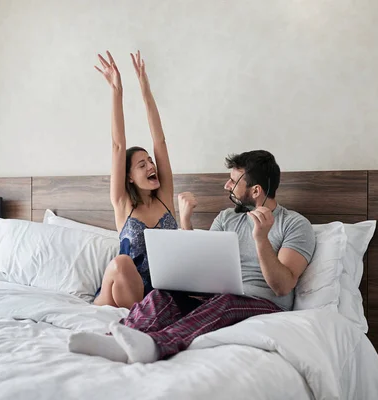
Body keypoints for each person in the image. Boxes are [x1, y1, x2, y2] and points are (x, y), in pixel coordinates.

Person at [70, 150, 316, 363]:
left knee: (227, 303)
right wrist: (186, 222)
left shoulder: (295, 225)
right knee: (161, 295)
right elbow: (202, 264)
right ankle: (115, 340)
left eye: (233, 181)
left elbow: (283, 286)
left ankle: (156, 345)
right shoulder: (226, 218)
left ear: (255, 190)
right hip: (216, 299)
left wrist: (261, 240)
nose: (227, 186)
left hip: (262, 303)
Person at [92, 51, 178, 309]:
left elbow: (160, 141)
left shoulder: (164, 199)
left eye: (150, 161)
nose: (152, 166)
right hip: (117, 291)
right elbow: (118, 145)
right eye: (142, 165)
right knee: (121, 263)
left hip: (155, 296)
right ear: (128, 177)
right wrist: (117, 91)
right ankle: (135, 320)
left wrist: (145, 89)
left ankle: (141, 320)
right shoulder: (122, 204)